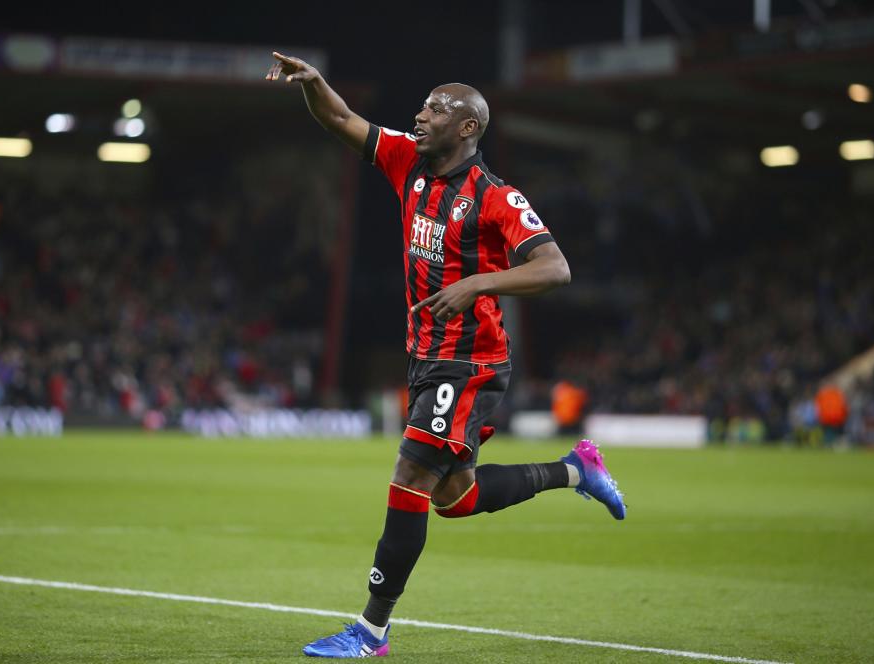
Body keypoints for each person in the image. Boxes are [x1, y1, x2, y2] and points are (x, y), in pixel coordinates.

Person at [266, 52, 626, 658]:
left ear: (468, 127)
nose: (420, 114)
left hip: (469, 362)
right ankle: (575, 470)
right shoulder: (408, 161)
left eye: (436, 109)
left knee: (408, 478)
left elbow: (554, 268)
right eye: (423, 105)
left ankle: (370, 632)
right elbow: (341, 119)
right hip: (427, 359)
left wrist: (478, 283)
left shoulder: (495, 198)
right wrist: (316, 84)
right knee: (453, 499)